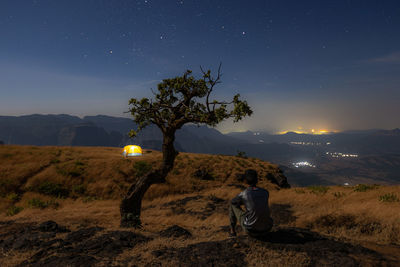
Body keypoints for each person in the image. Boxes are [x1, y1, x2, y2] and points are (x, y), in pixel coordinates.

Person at [229, 169, 273, 238]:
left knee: (232, 205)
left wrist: (243, 202)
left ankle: (232, 232)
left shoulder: (244, 194)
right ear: (257, 180)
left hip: (252, 231)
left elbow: (233, 201)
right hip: (267, 229)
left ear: (245, 181)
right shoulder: (265, 192)